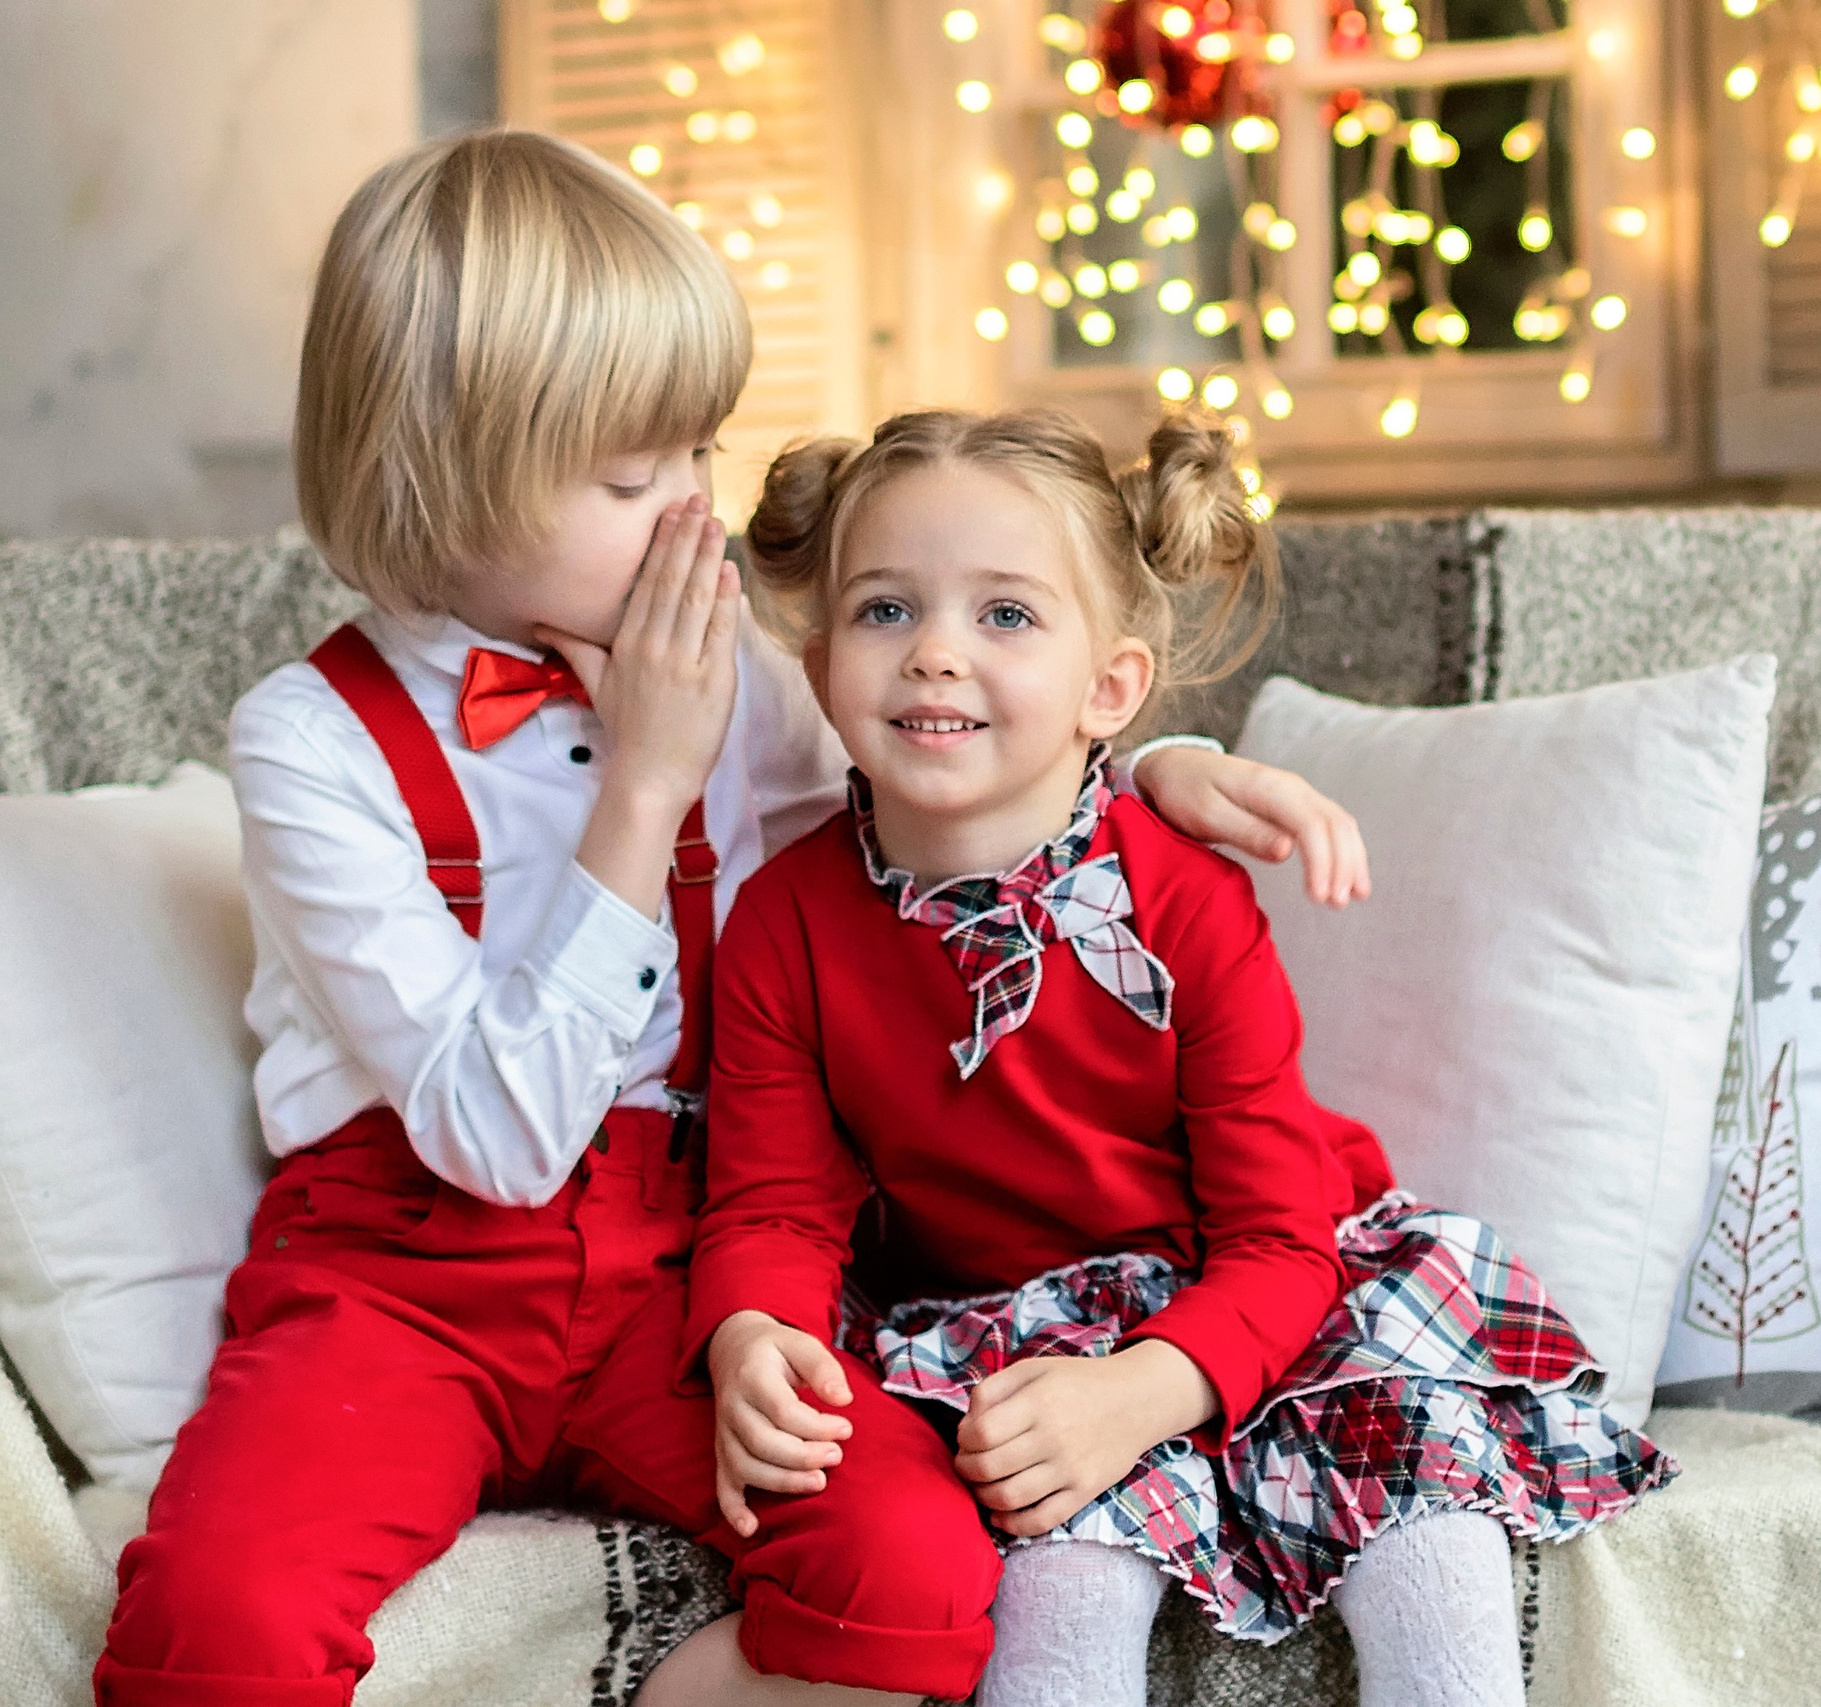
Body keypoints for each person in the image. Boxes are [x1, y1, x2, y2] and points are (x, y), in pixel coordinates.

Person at [94, 130, 1365, 1707]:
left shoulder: (747, 675)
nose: (698, 515)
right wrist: (644, 789)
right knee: (212, 1625)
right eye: (634, 479)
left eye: (698, 454)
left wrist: (1156, 758)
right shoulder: (311, 742)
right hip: (400, 1272)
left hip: (685, 1253)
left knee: (917, 1580)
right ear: (439, 473)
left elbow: (955, 771)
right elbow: (496, 1142)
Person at [692, 406, 1675, 1707]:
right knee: (1058, 1587)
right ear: (820, 669)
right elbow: (770, 1200)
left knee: (1432, 1537)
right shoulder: (782, 920)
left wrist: (1146, 1389)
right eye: (884, 611)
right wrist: (749, 1334)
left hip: (1267, 1290)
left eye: (1004, 616)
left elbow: (1282, 1241)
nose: (933, 653)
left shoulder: (1188, 902)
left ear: (1112, 689)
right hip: (1006, 1329)